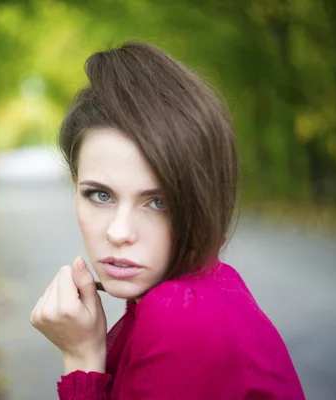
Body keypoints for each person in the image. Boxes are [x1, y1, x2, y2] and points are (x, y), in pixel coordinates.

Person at [30, 41, 305, 399]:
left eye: (158, 202)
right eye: (100, 195)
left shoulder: (179, 318)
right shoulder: (210, 284)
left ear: (203, 199)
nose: (119, 233)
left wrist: (81, 356)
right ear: (75, 185)